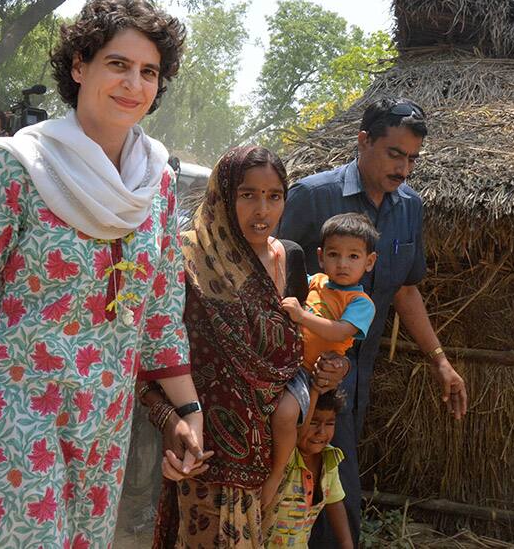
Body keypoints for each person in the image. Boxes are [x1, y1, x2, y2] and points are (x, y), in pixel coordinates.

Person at [0, 0, 204, 547]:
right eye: (118, 65)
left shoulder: (157, 184)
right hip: (10, 417)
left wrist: (188, 411)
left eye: (149, 72)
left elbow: (159, 316)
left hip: (102, 428)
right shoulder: (16, 165)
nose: (133, 84)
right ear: (79, 66)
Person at [277, 97, 469, 547]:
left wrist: (439, 359)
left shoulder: (409, 208)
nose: (404, 169)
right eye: (395, 154)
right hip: (298, 379)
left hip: (354, 379)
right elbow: (270, 276)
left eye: (413, 159)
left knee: (331, 488)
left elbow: (405, 289)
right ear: (363, 141)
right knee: (298, 490)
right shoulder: (313, 196)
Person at [147, 145, 349, 549]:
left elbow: (295, 351)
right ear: (223, 194)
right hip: (201, 461)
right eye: (248, 194)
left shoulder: (288, 259)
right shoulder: (185, 256)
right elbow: (152, 353)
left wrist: (331, 368)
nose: (263, 210)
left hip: (274, 468)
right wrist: (172, 421)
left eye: (274, 196)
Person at [263, 212, 378, 508]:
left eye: (353, 256)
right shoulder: (316, 282)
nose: (343, 263)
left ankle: (279, 472)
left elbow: (340, 331)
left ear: (369, 262)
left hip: (311, 374)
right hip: (285, 361)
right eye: (334, 254)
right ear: (321, 256)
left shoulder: (360, 303)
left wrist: (302, 316)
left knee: (288, 416)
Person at [266, 389, 353, 549]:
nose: (321, 432)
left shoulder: (329, 459)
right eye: (313, 422)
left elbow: (335, 502)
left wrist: (346, 544)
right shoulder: (285, 457)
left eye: (329, 423)